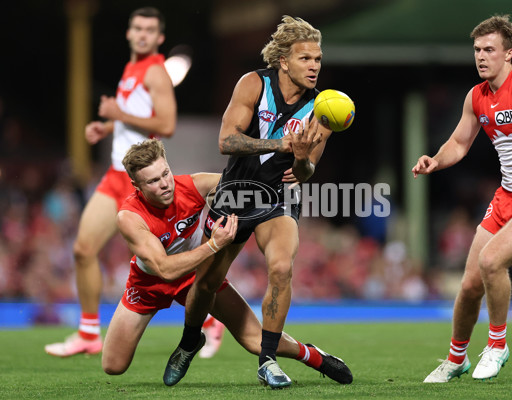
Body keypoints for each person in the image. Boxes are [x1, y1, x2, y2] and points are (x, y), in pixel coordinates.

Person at [163, 15, 338, 389]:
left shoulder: (324, 108)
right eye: (305, 59)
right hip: (235, 193)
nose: (314, 67)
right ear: (283, 61)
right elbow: (226, 141)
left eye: (318, 59)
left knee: (281, 268)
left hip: (277, 200)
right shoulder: (253, 84)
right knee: (207, 283)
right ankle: (190, 340)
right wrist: (280, 144)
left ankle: (268, 360)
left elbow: (305, 174)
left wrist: (304, 160)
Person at [102, 139, 352, 388]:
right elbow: (165, 270)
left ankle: (314, 356)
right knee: (113, 366)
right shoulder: (129, 217)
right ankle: (195, 338)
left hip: (196, 275)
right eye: (153, 181)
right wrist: (213, 245)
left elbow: (248, 186)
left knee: (255, 341)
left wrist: (297, 173)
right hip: (148, 284)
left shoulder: (194, 185)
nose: (165, 184)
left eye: (165, 173)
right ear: (136, 185)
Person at [44, 7, 218, 357]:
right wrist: (107, 127)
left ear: (159, 38)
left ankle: (211, 321)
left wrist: (116, 114)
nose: (141, 34)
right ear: (128, 32)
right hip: (113, 172)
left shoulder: (155, 71)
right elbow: (135, 119)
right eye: (137, 27)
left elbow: (166, 124)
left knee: (154, 262)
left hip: (137, 179)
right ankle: (89, 332)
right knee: (83, 250)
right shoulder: (131, 69)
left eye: (149, 30)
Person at [413, 15, 512, 382]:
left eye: (489, 50)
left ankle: (498, 346)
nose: (481, 57)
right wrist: (435, 160)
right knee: (469, 285)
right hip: (506, 199)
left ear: (509, 54)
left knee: (491, 260)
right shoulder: (477, 96)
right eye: (477, 50)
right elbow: (458, 142)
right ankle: (456, 359)